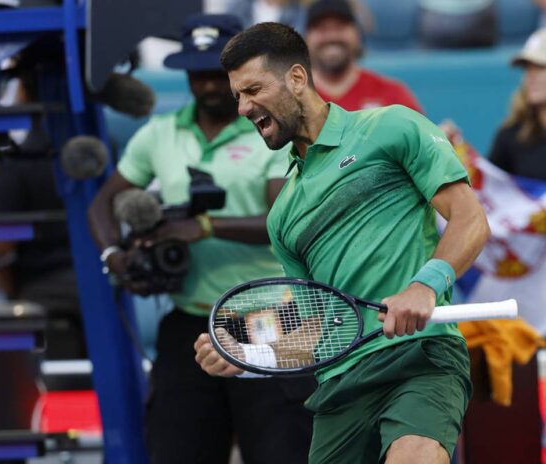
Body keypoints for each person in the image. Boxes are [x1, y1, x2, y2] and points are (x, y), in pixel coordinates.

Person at [194, 22, 491, 463]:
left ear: (297, 78)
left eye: (253, 90)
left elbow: (471, 219)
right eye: (238, 95)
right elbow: (320, 328)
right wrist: (248, 356)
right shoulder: (283, 215)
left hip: (421, 357)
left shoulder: (391, 126)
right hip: (342, 386)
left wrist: (424, 286)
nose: (243, 107)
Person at [88, 14, 317, 464]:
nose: (209, 86)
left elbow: (284, 219)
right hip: (192, 321)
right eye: (196, 75)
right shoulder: (161, 133)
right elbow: (102, 203)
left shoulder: (272, 130)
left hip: (270, 317)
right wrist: (115, 255)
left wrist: (206, 227)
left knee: (282, 451)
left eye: (216, 74)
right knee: (177, 450)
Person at [303, 0, 424, 113]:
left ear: (357, 34)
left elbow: (419, 128)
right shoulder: (294, 96)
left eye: (340, 27)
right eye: (322, 29)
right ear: (306, 37)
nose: (332, 36)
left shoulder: (393, 95)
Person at [488, 28, 546, 181]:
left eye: (540, 67)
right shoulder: (511, 135)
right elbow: (488, 187)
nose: (530, 77)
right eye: (527, 69)